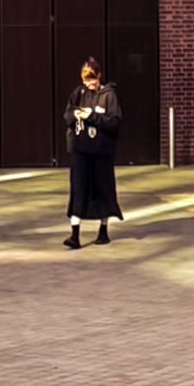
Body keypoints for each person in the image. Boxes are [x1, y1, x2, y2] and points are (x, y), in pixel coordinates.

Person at [63, 60, 124, 249]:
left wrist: (92, 116)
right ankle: (74, 235)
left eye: (92, 80)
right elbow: (67, 115)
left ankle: (103, 231)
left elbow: (114, 122)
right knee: (78, 189)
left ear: (99, 76)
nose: (89, 84)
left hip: (101, 152)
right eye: (86, 80)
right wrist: (76, 115)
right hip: (80, 150)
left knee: (103, 189)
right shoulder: (79, 93)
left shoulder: (109, 96)